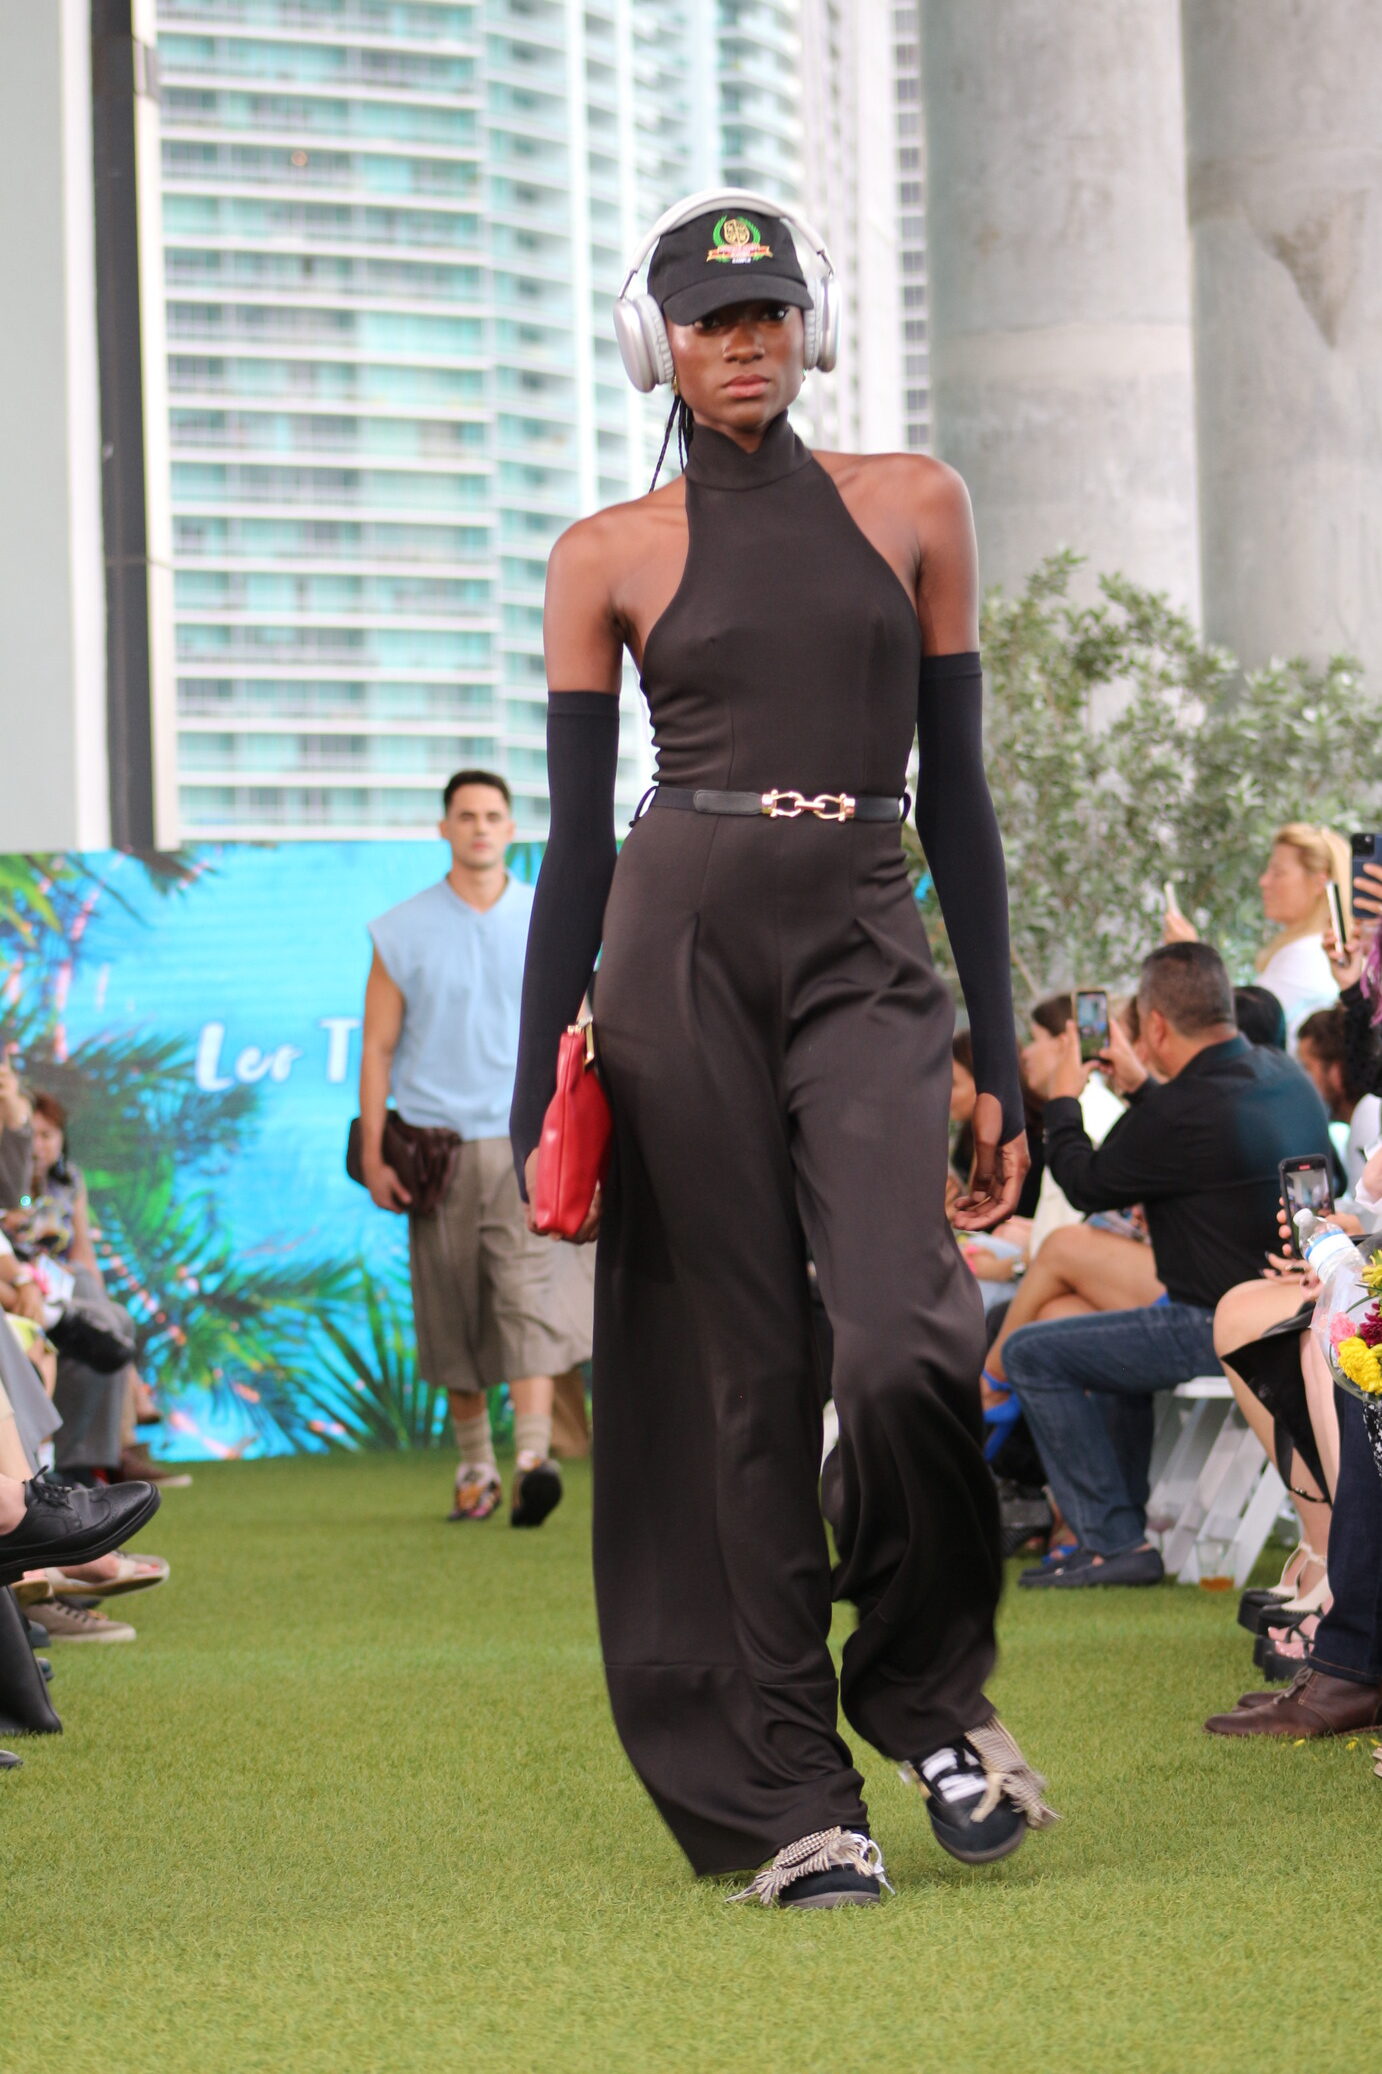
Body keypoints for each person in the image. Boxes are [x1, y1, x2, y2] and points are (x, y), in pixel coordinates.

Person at [509, 193, 1054, 1909]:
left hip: (867, 945)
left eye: (768, 314)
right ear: (653, 343)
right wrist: (536, 1075)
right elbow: (576, 846)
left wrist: (999, 1047)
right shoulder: (603, 552)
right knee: (742, 1385)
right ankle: (796, 1793)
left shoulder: (915, 503)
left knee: (906, 1339)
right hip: (674, 955)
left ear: (811, 329)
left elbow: (956, 794)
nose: (743, 343)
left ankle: (928, 1694)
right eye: (709, 319)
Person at [1004, 941, 1332, 1587]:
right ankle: (1119, 1530)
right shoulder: (1281, 1072)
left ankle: (1110, 1541)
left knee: (1029, 1353)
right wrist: (1141, 1087)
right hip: (1300, 1306)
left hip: (1214, 1324)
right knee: (1077, 1318)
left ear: (1154, 1026)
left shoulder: (1179, 1109)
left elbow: (1085, 1183)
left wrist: (1064, 1099)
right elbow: (1202, 1134)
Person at [361, 768, 592, 1528]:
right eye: (466, 816)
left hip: (528, 1144)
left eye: (493, 815)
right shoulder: (401, 929)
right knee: (452, 1311)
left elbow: (580, 1037)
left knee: (529, 1303)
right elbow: (377, 1046)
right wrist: (374, 1152)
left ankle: (531, 1462)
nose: (481, 828)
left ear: (511, 828)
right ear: (444, 827)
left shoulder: (546, 919)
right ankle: (475, 1470)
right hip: (439, 1151)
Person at [1166, 824, 1345, 1046]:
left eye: (1278, 873)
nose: (1264, 881)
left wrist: (1194, 962)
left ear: (1318, 883)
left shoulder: (1306, 956)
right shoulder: (1308, 951)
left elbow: (1239, 1031)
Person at [1296, 1004, 1382, 1191]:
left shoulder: (1369, 1115)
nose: (1301, 1082)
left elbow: (1364, 1208)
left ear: (1336, 1073)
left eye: (1307, 1068)